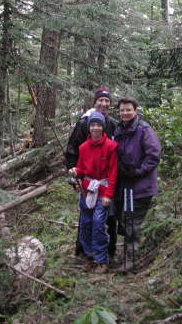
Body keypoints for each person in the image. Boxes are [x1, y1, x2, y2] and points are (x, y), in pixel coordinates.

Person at [64, 87, 119, 260]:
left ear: (110, 104)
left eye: (106, 100)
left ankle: (107, 252)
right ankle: (84, 252)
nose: (103, 103)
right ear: (95, 102)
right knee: (87, 218)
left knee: (107, 217)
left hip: (106, 181)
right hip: (86, 180)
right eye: (100, 100)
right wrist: (74, 175)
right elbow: (73, 149)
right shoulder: (84, 122)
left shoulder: (112, 124)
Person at [113, 97, 161, 273]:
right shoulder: (120, 130)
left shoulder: (143, 129)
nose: (125, 113)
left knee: (133, 222)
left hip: (141, 186)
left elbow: (153, 155)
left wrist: (137, 171)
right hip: (125, 185)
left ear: (135, 111)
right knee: (126, 220)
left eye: (128, 110)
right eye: (122, 110)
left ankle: (132, 261)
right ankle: (127, 254)